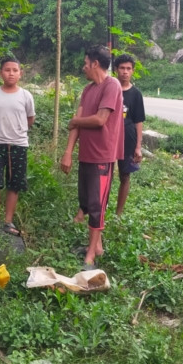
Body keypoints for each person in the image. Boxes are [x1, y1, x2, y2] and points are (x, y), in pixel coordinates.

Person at [60, 45, 123, 269]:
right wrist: (68, 152)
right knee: (86, 202)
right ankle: (97, 246)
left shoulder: (112, 85)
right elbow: (77, 120)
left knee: (97, 205)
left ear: (95, 64)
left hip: (102, 156)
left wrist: (76, 121)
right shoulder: (87, 90)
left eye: (86, 64)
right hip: (85, 155)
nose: (83, 67)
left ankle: (90, 256)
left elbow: (99, 119)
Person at [0, 57, 35, 236]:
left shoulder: (25, 96)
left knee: (14, 183)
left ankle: (8, 220)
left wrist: (17, 133)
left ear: (20, 73)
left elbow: (30, 119)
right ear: (0, 73)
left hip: (18, 145)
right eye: (7, 70)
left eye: (15, 70)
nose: (11, 73)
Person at [114, 54, 146, 216]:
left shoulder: (136, 94)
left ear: (132, 71)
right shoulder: (110, 90)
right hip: (109, 139)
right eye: (122, 68)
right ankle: (99, 210)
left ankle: (118, 213)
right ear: (116, 70)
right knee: (103, 174)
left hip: (128, 139)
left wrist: (138, 147)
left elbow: (139, 121)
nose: (125, 72)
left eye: (128, 69)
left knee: (125, 176)